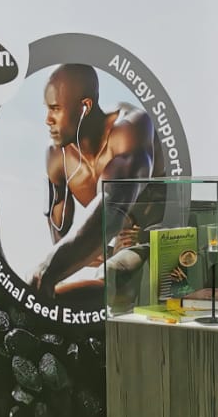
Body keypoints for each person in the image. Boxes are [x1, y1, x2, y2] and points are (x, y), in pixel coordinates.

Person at [30, 63, 155, 304]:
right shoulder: (57, 157)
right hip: (112, 254)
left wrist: (48, 270)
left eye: (55, 108)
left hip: (156, 241)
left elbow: (111, 210)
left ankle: (28, 305)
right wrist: (102, 252)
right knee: (52, 279)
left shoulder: (130, 129)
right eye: (47, 109)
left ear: (85, 107)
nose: (47, 120)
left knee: (114, 277)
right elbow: (60, 237)